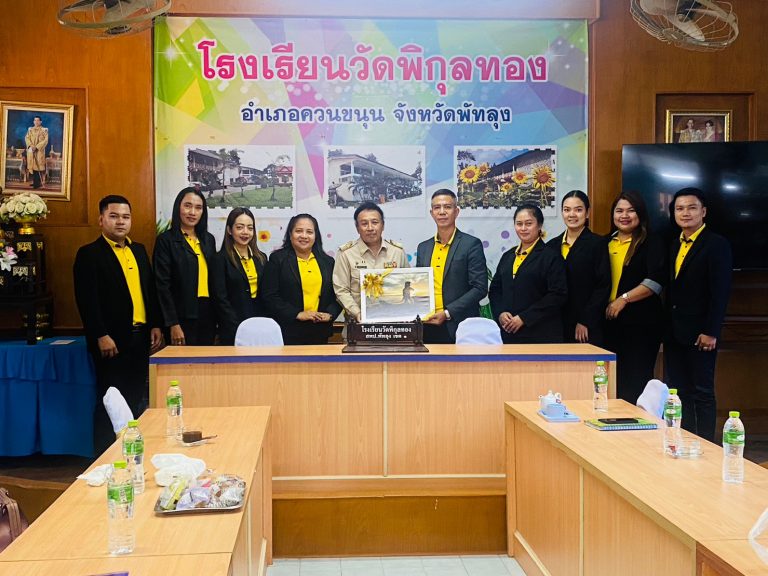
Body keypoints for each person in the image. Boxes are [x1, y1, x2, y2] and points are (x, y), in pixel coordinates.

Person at [73, 195, 163, 453]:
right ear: (101, 220)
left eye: (125, 217)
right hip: (111, 341)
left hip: (140, 338)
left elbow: (150, 291)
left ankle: (132, 454)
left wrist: (155, 325)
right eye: (114, 216)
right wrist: (100, 334)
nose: (120, 222)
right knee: (109, 401)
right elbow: (87, 300)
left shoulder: (139, 250)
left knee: (135, 398)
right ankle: (104, 457)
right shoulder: (89, 254)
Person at [665, 187, 732, 442]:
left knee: (702, 392)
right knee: (679, 391)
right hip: (674, 332)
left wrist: (711, 331)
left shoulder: (716, 244)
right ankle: (684, 440)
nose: (685, 213)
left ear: (703, 212)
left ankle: (705, 445)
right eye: (679, 208)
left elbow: (720, 292)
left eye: (691, 208)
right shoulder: (674, 244)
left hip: (701, 334)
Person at [604, 191, 667, 404]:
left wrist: (624, 299)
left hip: (641, 324)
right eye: (619, 211)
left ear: (640, 213)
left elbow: (655, 281)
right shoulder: (605, 242)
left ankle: (636, 423)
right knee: (612, 381)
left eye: (631, 210)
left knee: (636, 381)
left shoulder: (651, 242)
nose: (624, 215)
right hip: (610, 323)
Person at [416, 189, 487, 343]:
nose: (442, 212)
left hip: (459, 325)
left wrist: (448, 313)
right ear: (431, 213)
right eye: (437, 207)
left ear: (456, 211)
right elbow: (419, 286)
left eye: (447, 207)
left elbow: (480, 288)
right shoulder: (423, 247)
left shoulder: (471, 244)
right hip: (427, 325)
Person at [489, 204, 567, 343]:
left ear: (539, 225)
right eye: (519, 224)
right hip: (509, 334)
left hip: (541, 334)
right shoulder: (508, 256)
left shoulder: (551, 256)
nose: (523, 228)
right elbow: (495, 289)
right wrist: (501, 313)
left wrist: (524, 318)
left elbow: (557, 295)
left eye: (529, 223)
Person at [262, 214, 342, 345]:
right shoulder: (278, 260)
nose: (304, 236)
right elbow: (269, 296)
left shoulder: (328, 262)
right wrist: (297, 314)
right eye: (299, 231)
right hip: (288, 330)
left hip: (320, 330)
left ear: (315, 236)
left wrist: (330, 314)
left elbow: (339, 293)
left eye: (309, 232)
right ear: (290, 234)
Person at [153, 187, 217, 346]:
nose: (192, 212)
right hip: (181, 317)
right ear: (178, 207)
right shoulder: (166, 240)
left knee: (206, 360)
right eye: (187, 206)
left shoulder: (208, 240)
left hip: (208, 314)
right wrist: (173, 323)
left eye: (198, 207)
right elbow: (162, 285)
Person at [547, 190, 610, 345]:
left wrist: (586, 320)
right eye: (567, 210)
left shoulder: (598, 244)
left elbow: (603, 286)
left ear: (587, 213)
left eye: (578, 210)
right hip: (555, 323)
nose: (572, 214)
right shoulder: (551, 246)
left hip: (585, 325)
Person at [333, 202, 409, 323]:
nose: (370, 228)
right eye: (364, 224)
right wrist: (357, 313)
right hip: (357, 325)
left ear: (382, 225)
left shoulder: (397, 252)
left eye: (375, 222)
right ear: (357, 228)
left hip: (393, 324)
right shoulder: (346, 254)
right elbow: (341, 290)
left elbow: (407, 284)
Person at [210, 207, 267, 345]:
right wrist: (238, 327)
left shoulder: (261, 258)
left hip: (259, 325)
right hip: (232, 328)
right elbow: (220, 299)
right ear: (229, 230)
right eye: (240, 227)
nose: (245, 232)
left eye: (250, 228)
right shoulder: (220, 259)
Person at [25, 116, 48, 189]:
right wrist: (31, 145)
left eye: (38, 120)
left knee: (38, 166)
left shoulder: (44, 130)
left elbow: (45, 140)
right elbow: (27, 138)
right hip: (31, 150)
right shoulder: (30, 130)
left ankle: (37, 183)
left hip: (39, 151)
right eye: (35, 120)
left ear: (40, 122)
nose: (36, 122)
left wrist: (37, 147)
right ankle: (35, 182)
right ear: (33, 121)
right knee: (32, 166)